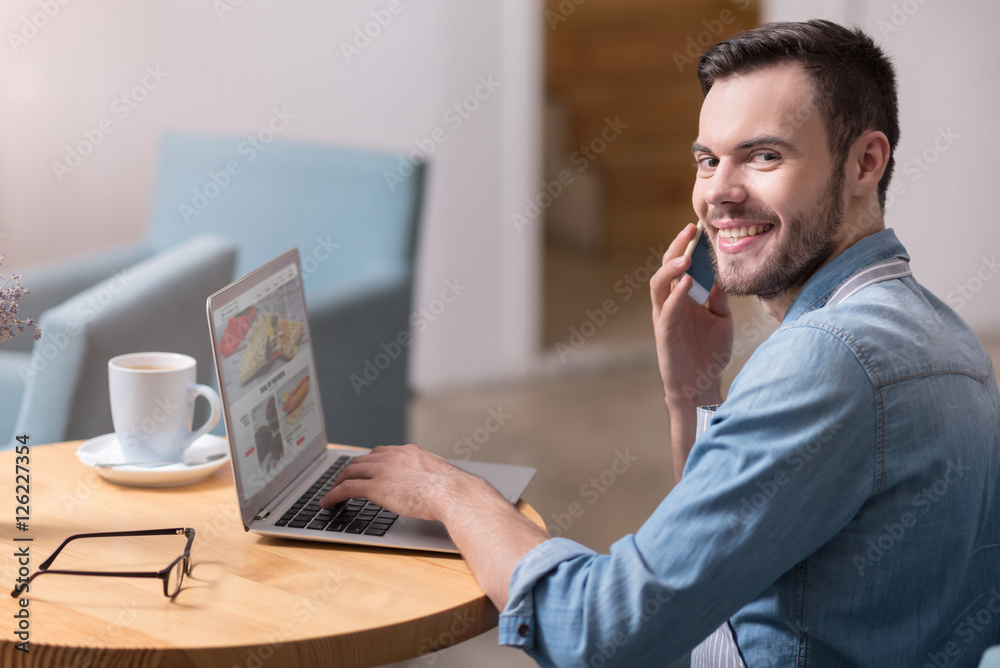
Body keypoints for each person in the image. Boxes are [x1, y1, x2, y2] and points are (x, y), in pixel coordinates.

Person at [321, 20, 1000, 667]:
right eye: (708, 160)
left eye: (764, 155)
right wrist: (694, 395)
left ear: (865, 163)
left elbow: (596, 633)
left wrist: (451, 493)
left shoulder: (829, 359)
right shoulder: (943, 333)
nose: (718, 194)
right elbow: (712, 569)